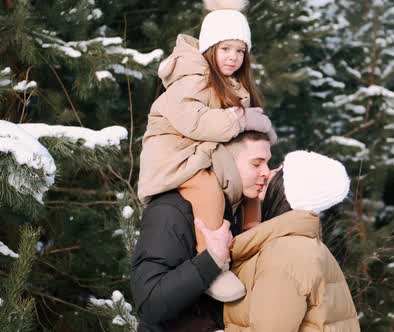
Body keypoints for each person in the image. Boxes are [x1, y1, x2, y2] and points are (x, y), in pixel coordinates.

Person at [137, 0, 276, 302]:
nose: (234, 57)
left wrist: (262, 128)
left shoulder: (231, 83)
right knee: (209, 189)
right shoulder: (190, 78)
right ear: (210, 48)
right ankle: (213, 258)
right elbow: (196, 122)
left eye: (240, 51)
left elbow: (247, 129)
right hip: (175, 157)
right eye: (226, 49)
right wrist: (241, 118)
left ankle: (252, 236)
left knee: (249, 183)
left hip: (202, 151)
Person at [131, 132, 272, 331]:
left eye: (268, 163)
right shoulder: (171, 210)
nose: (266, 172)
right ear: (228, 164)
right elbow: (149, 303)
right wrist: (211, 260)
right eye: (256, 164)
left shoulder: (237, 210)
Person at [224, 151, 361, 332]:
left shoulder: (285, 253)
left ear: (290, 188)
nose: (268, 173)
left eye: (279, 169)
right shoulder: (301, 246)